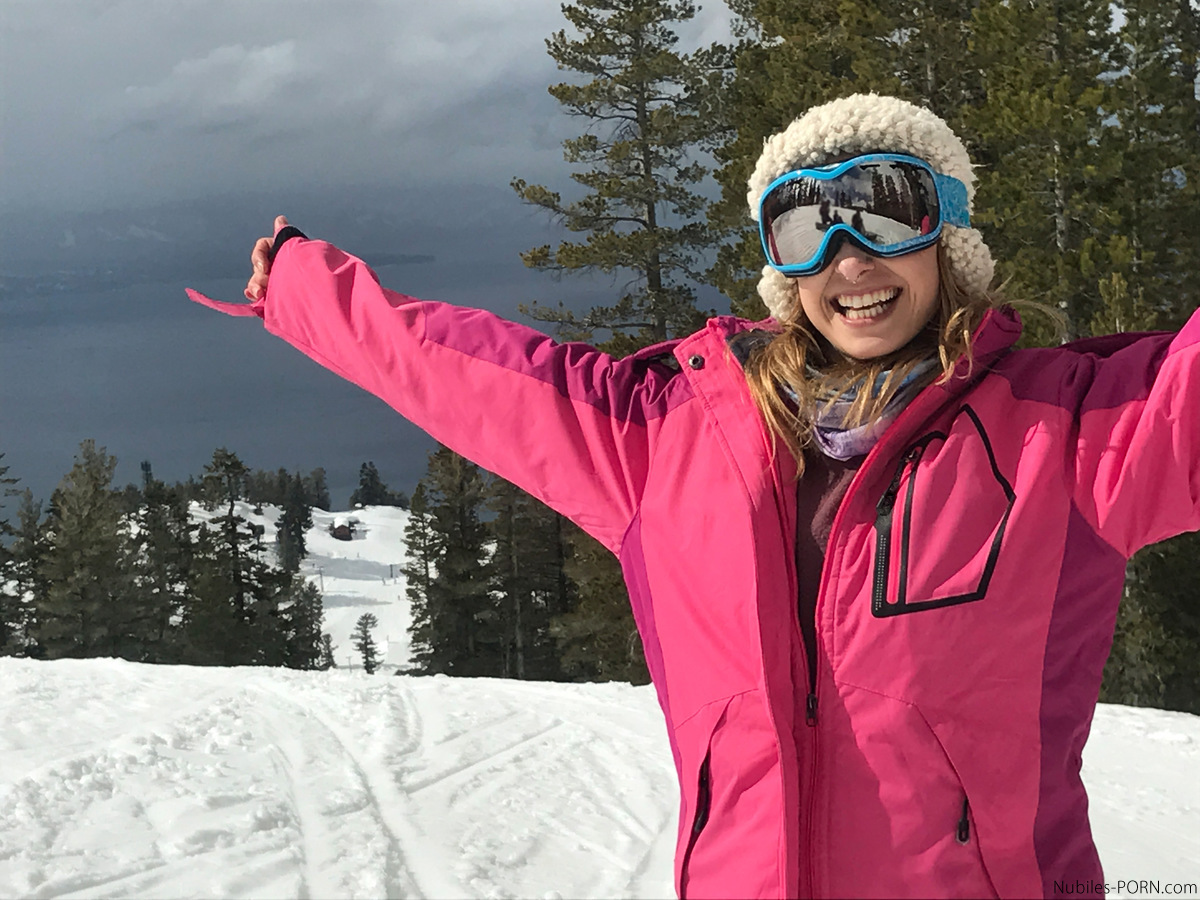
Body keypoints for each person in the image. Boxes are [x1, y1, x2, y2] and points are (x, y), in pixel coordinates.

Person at [190, 93, 1200, 899]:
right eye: (804, 226)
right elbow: (461, 373)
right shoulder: (672, 434)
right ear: (781, 264)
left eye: (887, 211)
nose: (849, 260)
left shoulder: (1072, 430)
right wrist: (304, 288)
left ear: (947, 234)